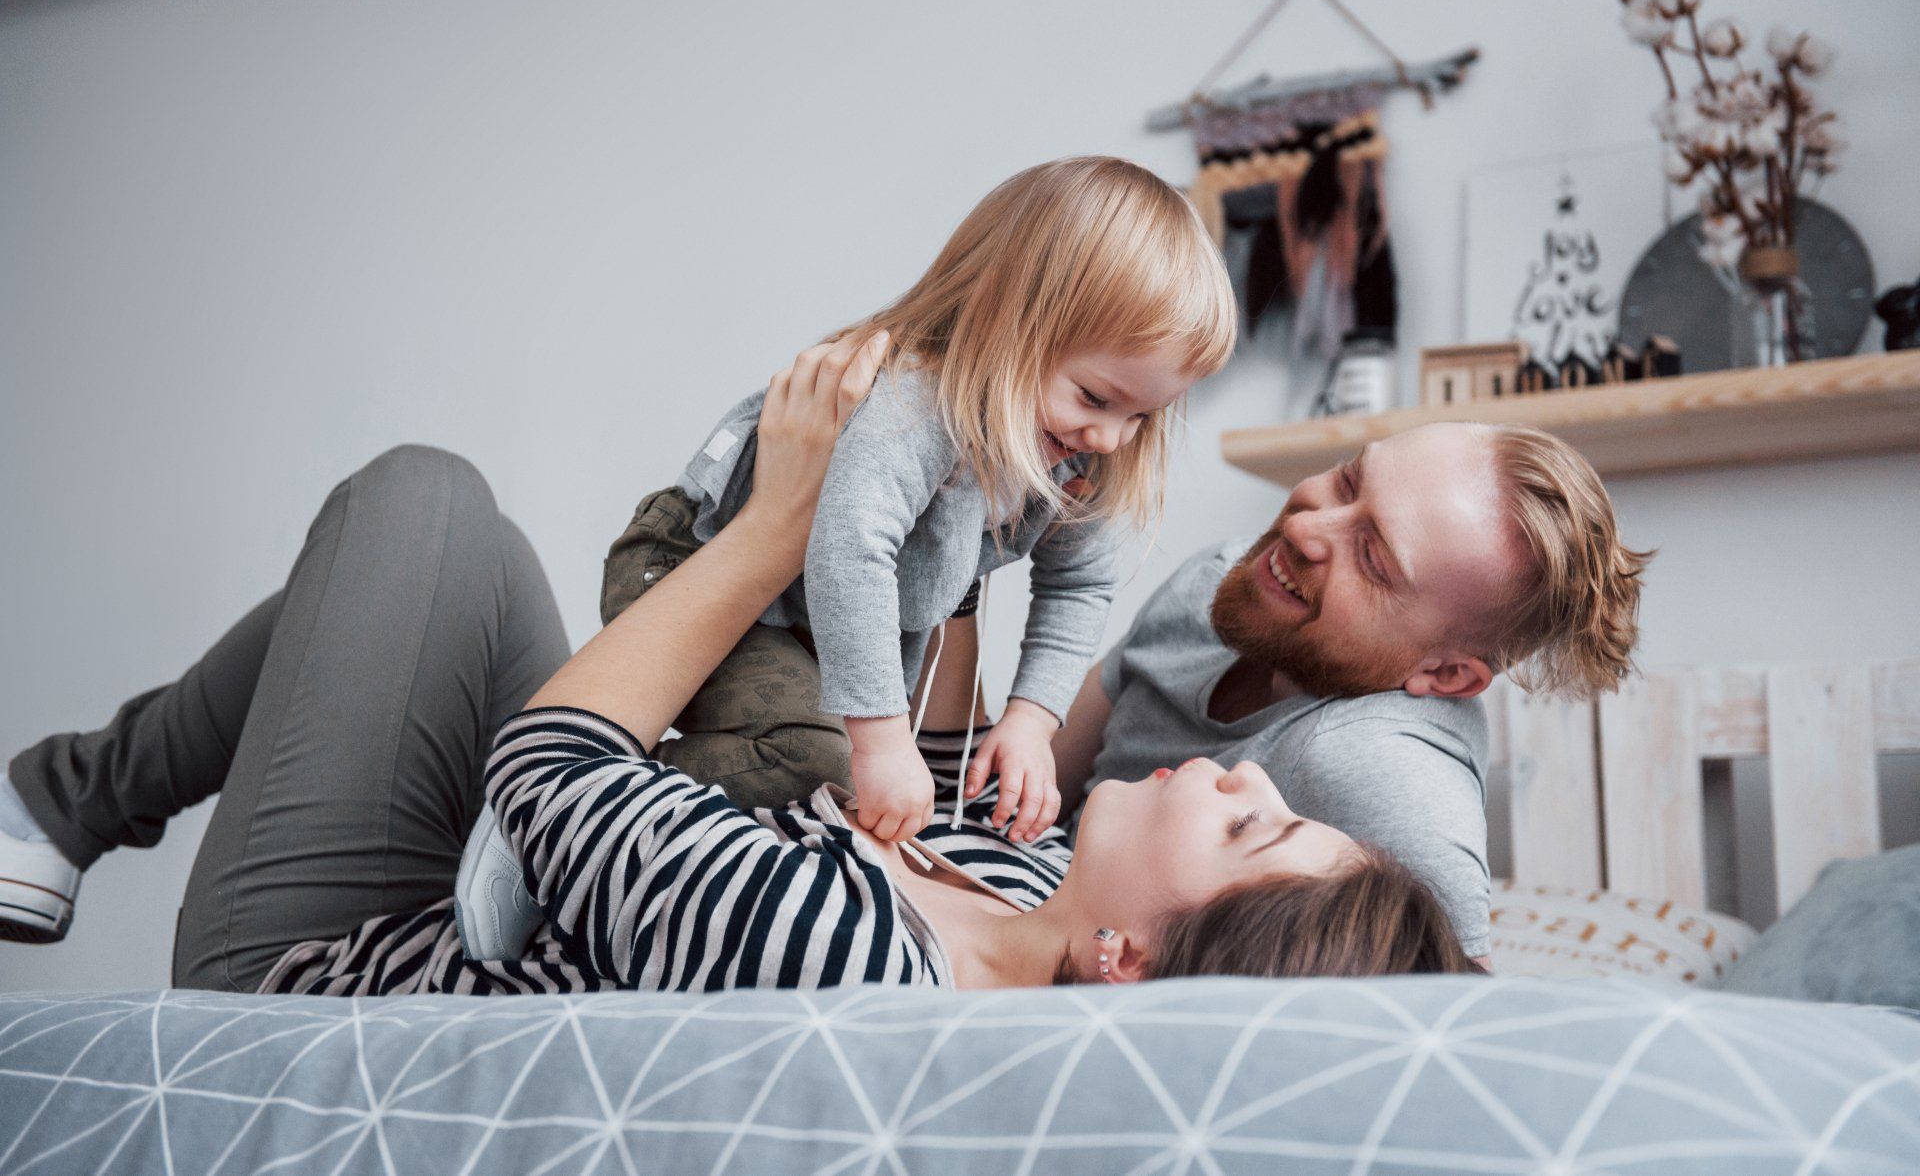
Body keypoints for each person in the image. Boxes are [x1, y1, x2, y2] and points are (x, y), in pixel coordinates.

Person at [0, 336, 1476, 992]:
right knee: (468, 562)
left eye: (1250, 821)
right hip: (515, 882)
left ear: (1128, 957)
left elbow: (547, 767)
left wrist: (784, 520)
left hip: (338, 962)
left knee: (424, 498)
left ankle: (62, 798)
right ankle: (69, 800)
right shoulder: (1030, 892)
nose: (1234, 773)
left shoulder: (841, 960)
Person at [598, 157, 1236, 846]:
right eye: (1094, 398)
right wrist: (879, 744)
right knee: (818, 764)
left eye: (1143, 415)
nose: (1110, 438)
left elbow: (1080, 583)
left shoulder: (1081, 449)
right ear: (1004, 324)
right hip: (692, 559)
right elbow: (851, 550)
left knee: (859, 799)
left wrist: (1031, 721)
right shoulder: (915, 406)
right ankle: (580, 804)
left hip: (809, 616)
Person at [1039, 419, 1653, 965]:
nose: (1305, 525)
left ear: (1443, 677)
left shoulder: (1379, 767)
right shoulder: (1221, 579)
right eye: (1349, 480)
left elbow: (1452, 1017)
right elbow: (1029, 786)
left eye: (1373, 560)